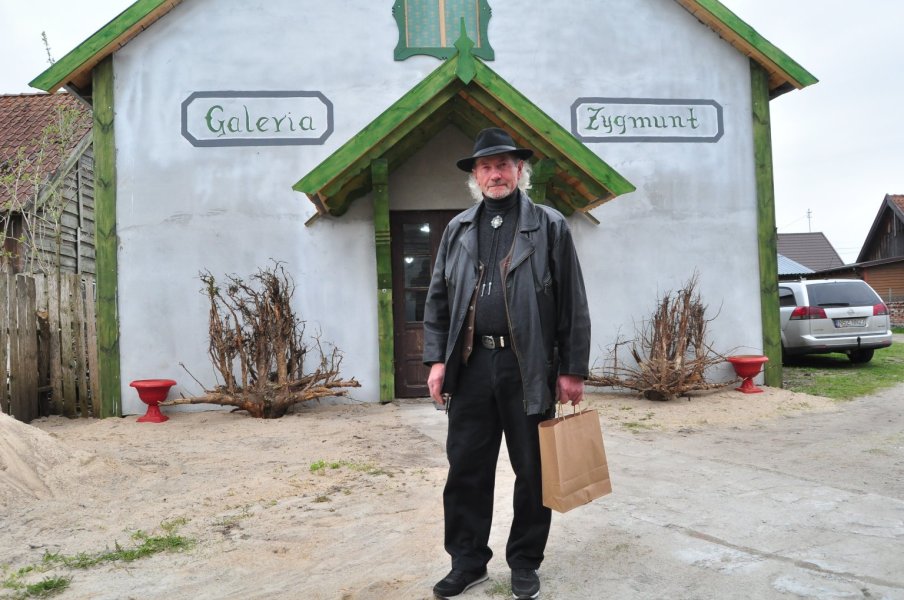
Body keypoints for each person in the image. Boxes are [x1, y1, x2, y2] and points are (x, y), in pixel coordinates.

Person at [423, 127, 591, 600]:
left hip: (528, 367)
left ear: (520, 170)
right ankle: (467, 561)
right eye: (486, 167)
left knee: (533, 471)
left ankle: (524, 561)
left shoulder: (549, 225)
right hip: (471, 366)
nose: (495, 174)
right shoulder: (457, 229)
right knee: (466, 469)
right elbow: (438, 300)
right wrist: (436, 361)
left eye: (503, 165)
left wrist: (572, 368)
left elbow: (572, 302)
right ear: (475, 176)